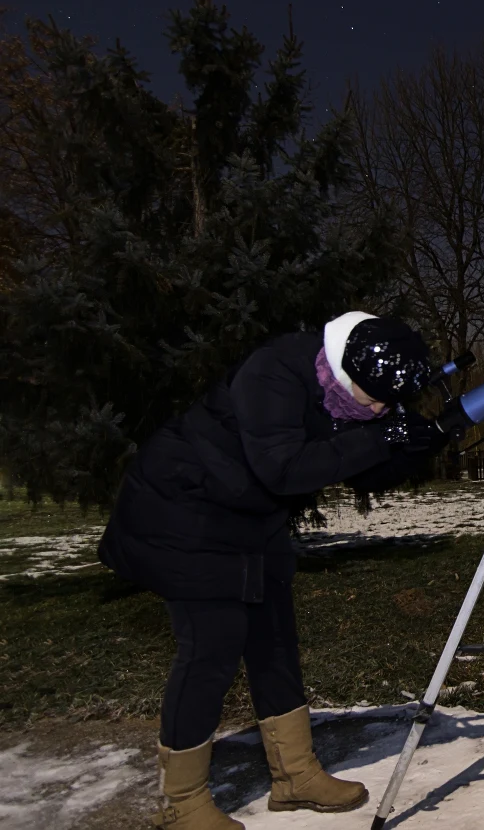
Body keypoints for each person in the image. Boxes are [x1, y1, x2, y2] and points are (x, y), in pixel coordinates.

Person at [98, 312, 455, 830]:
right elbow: (283, 467)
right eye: (372, 397)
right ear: (341, 365)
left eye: (385, 402)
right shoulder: (275, 372)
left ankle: (294, 776)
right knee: (212, 649)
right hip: (184, 512)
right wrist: (382, 438)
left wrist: (422, 441)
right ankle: (183, 801)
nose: (378, 408)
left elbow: (359, 462)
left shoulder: (349, 385)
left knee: (274, 642)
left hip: (252, 517)